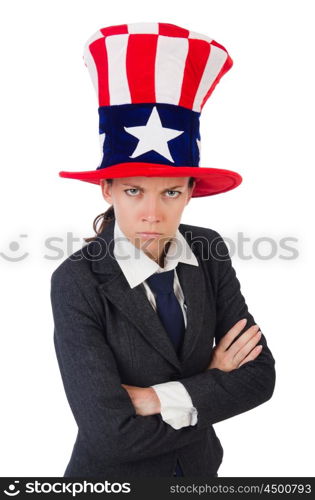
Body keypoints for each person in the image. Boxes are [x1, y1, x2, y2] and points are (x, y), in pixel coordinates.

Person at [50, 22, 276, 479]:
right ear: (107, 189)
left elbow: (259, 378)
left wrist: (155, 399)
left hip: (198, 474)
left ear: (191, 191)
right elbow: (108, 434)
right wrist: (212, 386)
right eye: (134, 191)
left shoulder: (208, 249)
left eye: (170, 192)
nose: (152, 214)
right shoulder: (78, 280)